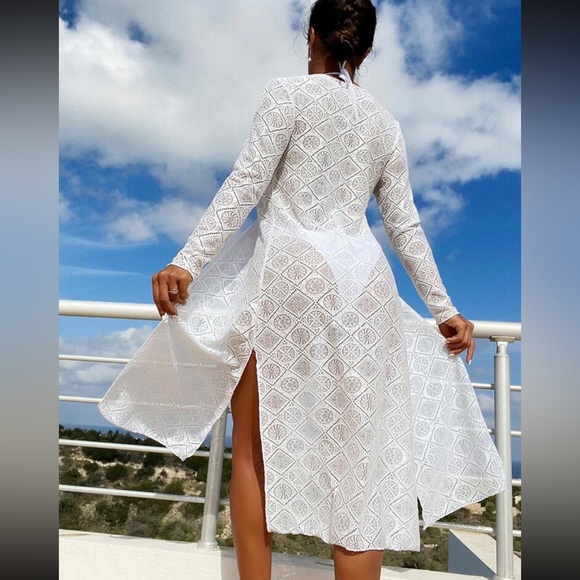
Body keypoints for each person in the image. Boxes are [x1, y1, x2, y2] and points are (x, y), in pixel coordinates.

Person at [99, 1, 506, 578]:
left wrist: (186, 261)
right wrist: (445, 310)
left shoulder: (286, 95)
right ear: (366, 50)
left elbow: (246, 183)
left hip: (289, 275)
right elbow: (405, 227)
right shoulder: (384, 124)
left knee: (254, 450)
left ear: (311, 34)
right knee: (361, 466)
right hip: (363, 286)